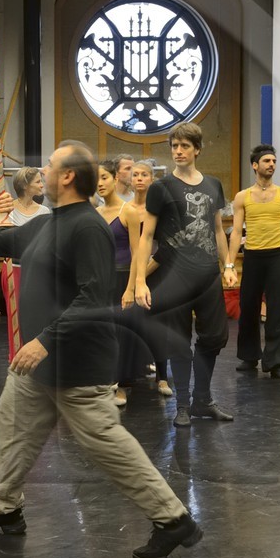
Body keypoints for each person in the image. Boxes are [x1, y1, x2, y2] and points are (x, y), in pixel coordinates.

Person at [0, 142, 204, 558]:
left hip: (77, 366)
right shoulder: (48, 224)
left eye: (50, 165)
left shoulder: (88, 228)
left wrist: (43, 340)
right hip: (39, 366)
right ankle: (4, 508)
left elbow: (94, 297)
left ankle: (173, 520)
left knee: (108, 446)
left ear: (66, 177)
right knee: (10, 424)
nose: (41, 169)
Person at [130, 122, 235, 427]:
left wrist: (227, 265)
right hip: (174, 278)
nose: (178, 151)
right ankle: (184, 405)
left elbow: (217, 229)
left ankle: (203, 399)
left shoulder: (213, 185)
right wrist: (139, 281)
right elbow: (147, 236)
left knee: (214, 336)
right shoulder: (161, 188)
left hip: (207, 276)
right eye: (174, 146)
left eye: (184, 146)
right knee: (178, 341)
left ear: (197, 149)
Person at [227, 145, 280, 380]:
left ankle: (276, 362)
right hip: (253, 256)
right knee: (249, 307)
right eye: (266, 161)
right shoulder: (243, 197)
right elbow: (235, 233)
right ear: (255, 165)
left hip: (277, 256)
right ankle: (249, 356)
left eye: (274, 161)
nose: (271, 164)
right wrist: (230, 264)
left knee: (279, 309)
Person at [122, 161, 173, 398]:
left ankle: (162, 376)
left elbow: (164, 246)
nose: (140, 178)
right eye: (135, 175)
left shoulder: (160, 209)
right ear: (130, 180)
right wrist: (134, 282)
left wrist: (145, 272)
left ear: (151, 179)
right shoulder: (127, 210)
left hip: (158, 272)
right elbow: (133, 250)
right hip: (135, 273)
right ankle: (129, 375)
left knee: (158, 326)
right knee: (131, 323)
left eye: (144, 175)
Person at [96, 159, 142, 406]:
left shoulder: (129, 211)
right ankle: (106, 381)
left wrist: (131, 288)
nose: (99, 183)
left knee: (123, 333)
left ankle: (123, 385)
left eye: (104, 177)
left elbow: (137, 253)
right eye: (96, 179)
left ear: (115, 179)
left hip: (124, 276)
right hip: (102, 279)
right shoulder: (95, 213)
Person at [0, 166, 50, 362]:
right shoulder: (8, 210)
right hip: (13, 269)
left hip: (37, 271)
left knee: (36, 313)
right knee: (15, 316)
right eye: (37, 182)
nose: (42, 185)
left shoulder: (44, 211)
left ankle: (35, 355)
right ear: (25, 186)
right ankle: (16, 355)